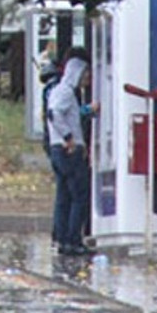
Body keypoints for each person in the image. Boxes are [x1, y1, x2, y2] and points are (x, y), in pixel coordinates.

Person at [46, 47, 98, 256]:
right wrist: (70, 139)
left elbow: (69, 114)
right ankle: (73, 240)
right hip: (68, 151)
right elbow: (55, 113)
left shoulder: (61, 91)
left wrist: (87, 111)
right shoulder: (66, 92)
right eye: (85, 74)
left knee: (64, 196)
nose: (87, 79)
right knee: (79, 195)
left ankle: (63, 239)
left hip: (58, 150)